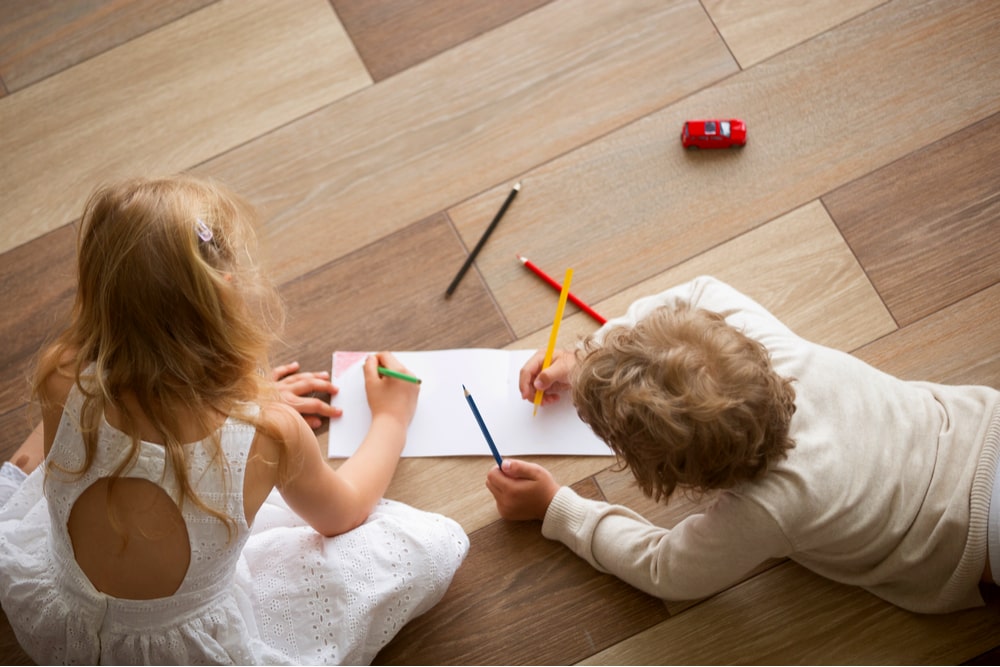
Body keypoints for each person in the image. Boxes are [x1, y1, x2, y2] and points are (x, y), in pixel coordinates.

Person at [0, 175, 468, 664]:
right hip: (186, 653)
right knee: (430, 547)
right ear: (225, 294)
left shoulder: (61, 373)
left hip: (68, 626)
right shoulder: (270, 435)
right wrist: (391, 419)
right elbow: (344, 515)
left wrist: (243, 404)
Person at [486, 275, 1000, 614]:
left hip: (957, 542)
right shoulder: (771, 348)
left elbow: (665, 570)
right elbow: (694, 293)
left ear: (674, 480)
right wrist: (591, 357)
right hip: (984, 428)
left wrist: (557, 508)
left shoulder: (764, 508)